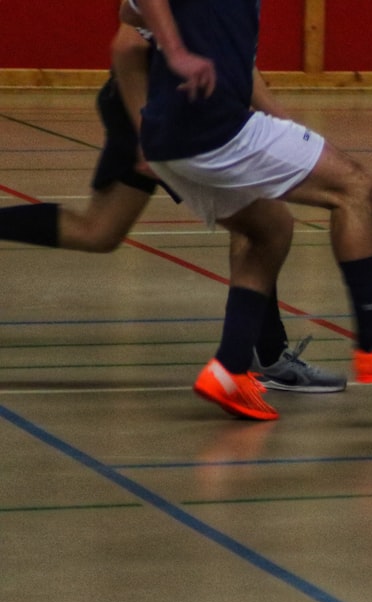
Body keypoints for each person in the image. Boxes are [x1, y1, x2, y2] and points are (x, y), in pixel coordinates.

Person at [120, 0, 372, 421]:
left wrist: (181, 34)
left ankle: (230, 369)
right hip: (212, 126)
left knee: (270, 228)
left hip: (169, 142)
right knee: (355, 187)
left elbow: (129, 11)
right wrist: (176, 51)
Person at [0, 24, 347, 398]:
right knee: (263, 225)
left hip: (152, 106)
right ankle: (265, 354)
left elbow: (238, 59)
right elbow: (129, 42)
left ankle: (260, 354)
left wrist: (277, 118)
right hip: (164, 113)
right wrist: (147, 129)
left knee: (98, 231)